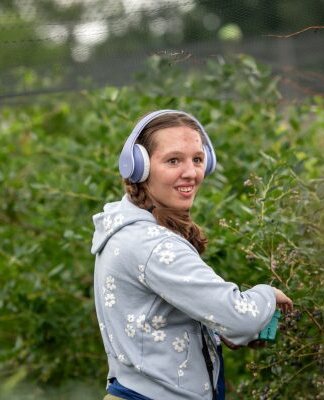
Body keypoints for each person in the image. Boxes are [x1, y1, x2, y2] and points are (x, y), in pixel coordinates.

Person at [91, 109, 293, 400]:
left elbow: (154, 320)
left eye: (197, 159)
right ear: (139, 167)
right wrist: (266, 295)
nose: (191, 172)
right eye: (173, 160)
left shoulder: (126, 230)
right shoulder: (153, 245)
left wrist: (214, 330)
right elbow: (242, 319)